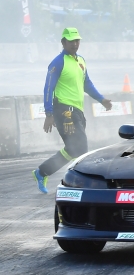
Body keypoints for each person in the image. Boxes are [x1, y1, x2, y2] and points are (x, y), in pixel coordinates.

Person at [33, 28, 112, 193]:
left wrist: (101, 99)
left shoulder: (81, 60)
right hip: (64, 110)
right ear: (63, 42)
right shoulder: (58, 62)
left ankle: (42, 172)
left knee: (73, 149)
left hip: (78, 110)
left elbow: (87, 84)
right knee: (81, 147)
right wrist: (49, 114)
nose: (75, 44)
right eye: (71, 41)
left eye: (77, 41)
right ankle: (81, 184)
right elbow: (48, 88)